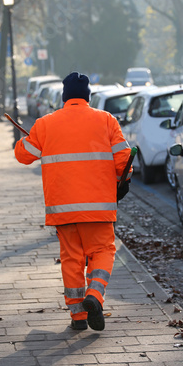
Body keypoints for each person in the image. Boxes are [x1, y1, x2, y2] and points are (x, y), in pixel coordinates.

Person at [14, 72, 132, 331]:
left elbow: (24, 155)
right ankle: (95, 295)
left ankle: (78, 315)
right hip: (99, 208)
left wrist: (23, 139)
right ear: (87, 96)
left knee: (72, 259)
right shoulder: (106, 120)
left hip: (63, 209)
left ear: (65, 97)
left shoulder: (46, 123)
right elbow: (124, 160)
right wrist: (123, 181)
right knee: (103, 251)